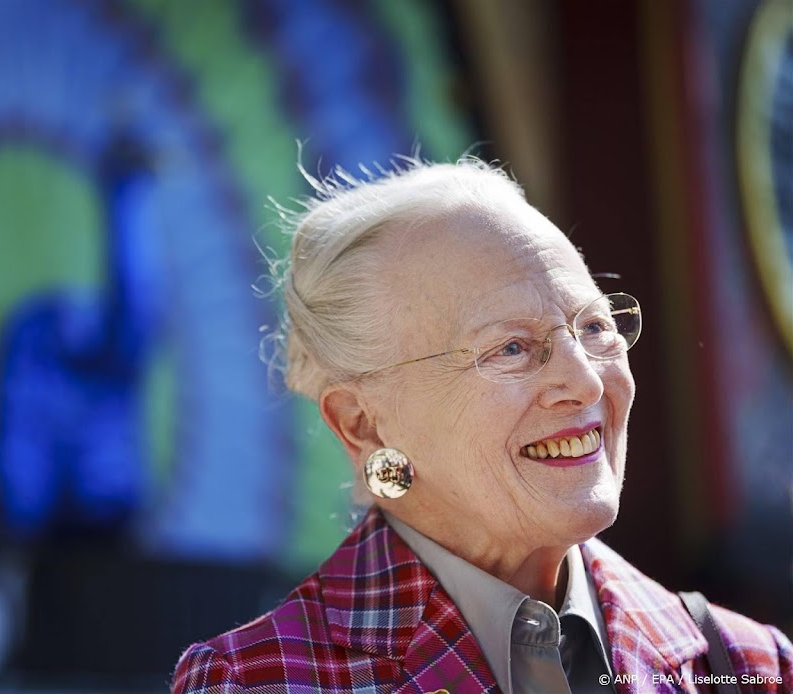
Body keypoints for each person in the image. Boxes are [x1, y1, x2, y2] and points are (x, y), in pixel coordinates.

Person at [171, 158, 791, 693]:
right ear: (361, 423)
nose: (586, 382)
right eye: (511, 348)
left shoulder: (752, 666)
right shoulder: (261, 679)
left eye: (595, 326)